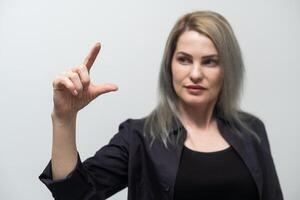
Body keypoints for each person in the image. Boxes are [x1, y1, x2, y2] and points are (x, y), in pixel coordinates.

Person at [39, 10, 284, 200]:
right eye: (184, 60)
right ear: (170, 66)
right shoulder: (139, 137)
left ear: (226, 70)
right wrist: (64, 120)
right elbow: (74, 195)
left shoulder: (252, 131)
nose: (196, 74)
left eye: (209, 62)